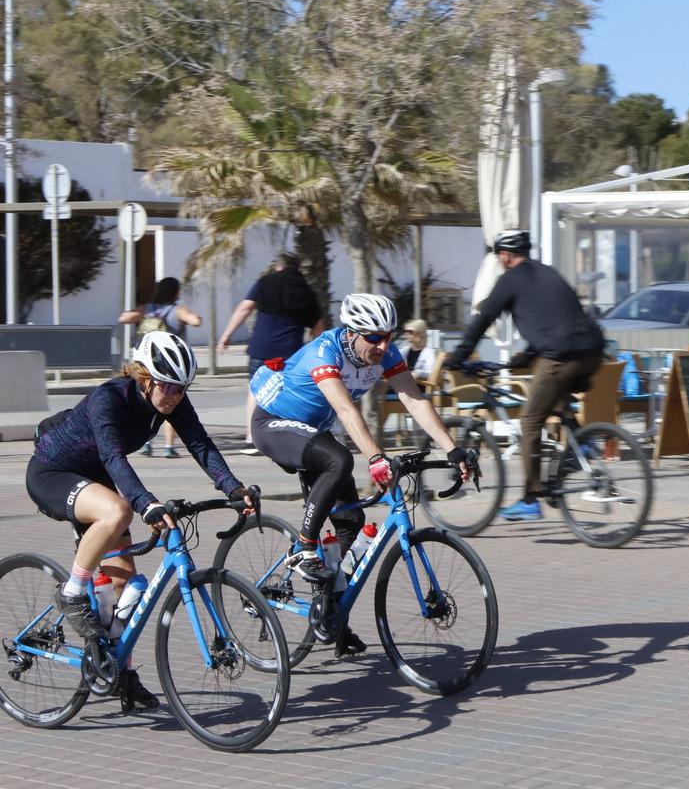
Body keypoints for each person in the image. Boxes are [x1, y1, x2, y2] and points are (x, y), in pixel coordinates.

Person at [26, 334, 258, 712]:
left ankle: (121, 675)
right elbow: (115, 458)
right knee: (119, 511)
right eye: (168, 386)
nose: (175, 396)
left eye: (183, 389)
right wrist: (146, 504)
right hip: (53, 472)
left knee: (128, 586)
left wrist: (233, 487)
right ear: (144, 377)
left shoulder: (172, 403)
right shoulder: (109, 398)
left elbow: (201, 445)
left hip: (92, 478)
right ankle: (71, 591)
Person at [252, 293, 471, 654]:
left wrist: (453, 448)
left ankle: (331, 620)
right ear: (351, 332)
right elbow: (345, 410)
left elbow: (414, 399)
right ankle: (304, 547)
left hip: (314, 434)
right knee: (340, 459)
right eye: (373, 337)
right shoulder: (325, 353)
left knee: (351, 527)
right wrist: (376, 458)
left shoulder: (386, 353)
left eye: (389, 335)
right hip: (274, 425)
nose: (383, 345)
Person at [442, 230, 605, 523]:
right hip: (592, 350)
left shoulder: (511, 279)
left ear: (505, 255)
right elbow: (556, 320)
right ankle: (581, 444)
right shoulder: (548, 273)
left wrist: (457, 357)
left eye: (498, 255)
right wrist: (526, 357)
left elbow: (483, 319)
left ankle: (531, 499)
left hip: (562, 354)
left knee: (530, 420)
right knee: (555, 400)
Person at [220, 252, 325, 448]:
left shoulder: (266, 281)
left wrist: (227, 334)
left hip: (262, 347)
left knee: (255, 389)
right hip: (290, 353)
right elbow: (318, 326)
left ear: (279, 266)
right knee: (287, 394)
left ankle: (252, 438)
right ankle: (286, 437)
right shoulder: (306, 290)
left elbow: (245, 308)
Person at [118, 278, 204, 459]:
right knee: (171, 402)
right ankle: (168, 446)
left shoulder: (146, 308)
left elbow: (124, 318)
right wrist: (196, 318)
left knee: (147, 400)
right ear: (176, 292)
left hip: (145, 365)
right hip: (169, 367)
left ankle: (147, 443)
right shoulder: (177, 310)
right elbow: (195, 321)